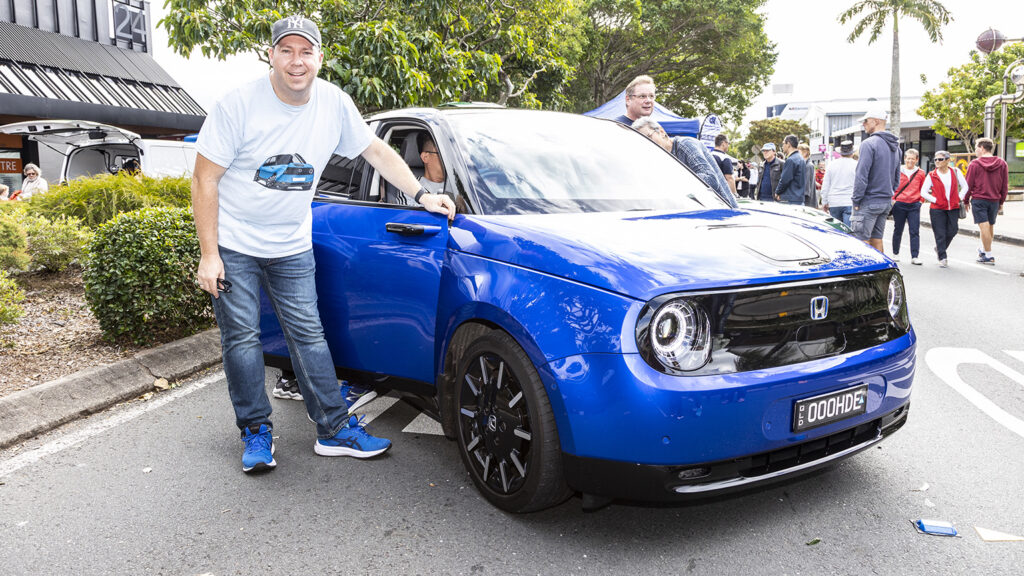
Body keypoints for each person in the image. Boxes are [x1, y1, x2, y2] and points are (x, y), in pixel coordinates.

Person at [192, 15, 455, 474]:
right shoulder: (237, 105)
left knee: (309, 335)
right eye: (287, 51)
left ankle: (333, 429)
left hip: (292, 243)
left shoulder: (334, 102)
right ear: (271, 55)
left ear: (319, 57)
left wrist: (421, 193)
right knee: (242, 340)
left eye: (306, 51)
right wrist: (210, 254)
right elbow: (204, 179)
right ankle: (255, 430)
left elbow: (376, 151)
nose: (297, 61)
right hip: (235, 242)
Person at [631, 117, 736, 206]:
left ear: (661, 132)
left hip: (723, 209)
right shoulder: (661, 158)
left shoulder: (685, 144)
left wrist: (673, 181)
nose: (646, 143)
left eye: (648, 137)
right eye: (642, 142)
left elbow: (711, 179)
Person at [851, 109, 901, 253]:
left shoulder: (868, 144)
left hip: (868, 200)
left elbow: (861, 175)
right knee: (877, 239)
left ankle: (864, 274)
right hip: (885, 201)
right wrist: (889, 194)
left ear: (876, 121)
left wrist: (856, 200)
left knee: (861, 242)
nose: (864, 125)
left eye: (866, 121)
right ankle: (882, 273)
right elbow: (897, 178)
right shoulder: (895, 147)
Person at [920, 150, 968, 268]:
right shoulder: (932, 175)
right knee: (940, 233)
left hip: (953, 207)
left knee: (953, 230)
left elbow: (965, 186)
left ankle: (939, 248)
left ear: (947, 160)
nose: (937, 161)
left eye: (940, 159)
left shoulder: (955, 172)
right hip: (937, 209)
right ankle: (942, 257)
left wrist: (959, 197)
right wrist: (935, 200)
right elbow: (923, 192)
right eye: (935, 159)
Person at [965, 137, 1008, 265]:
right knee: (989, 226)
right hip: (994, 199)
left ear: (982, 148)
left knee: (983, 226)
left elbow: (969, 184)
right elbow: (1005, 185)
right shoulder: (1002, 163)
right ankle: (984, 250)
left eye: (977, 147)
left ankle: (988, 255)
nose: (975, 150)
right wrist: (1001, 202)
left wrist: (965, 200)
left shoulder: (974, 164)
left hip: (979, 199)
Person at [891, 148, 926, 265]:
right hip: (899, 204)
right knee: (898, 229)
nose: (910, 161)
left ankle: (915, 256)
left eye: (913, 159)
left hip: (914, 205)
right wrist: (893, 200)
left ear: (917, 160)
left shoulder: (921, 173)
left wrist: (921, 201)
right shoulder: (898, 170)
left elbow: (923, 189)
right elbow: (891, 185)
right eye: (908, 158)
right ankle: (895, 253)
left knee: (914, 231)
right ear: (904, 158)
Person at [820, 140, 856, 227]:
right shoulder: (856, 165)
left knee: (836, 231)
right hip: (849, 201)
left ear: (840, 152)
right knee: (848, 231)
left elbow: (826, 185)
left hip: (834, 201)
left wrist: (824, 201)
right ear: (852, 153)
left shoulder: (831, 165)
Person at [774, 134, 805, 205]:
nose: (782, 146)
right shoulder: (800, 158)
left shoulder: (791, 160)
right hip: (799, 198)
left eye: (783, 143)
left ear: (788, 144)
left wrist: (777, 192)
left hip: (790, 199)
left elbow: (785, 180)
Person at [797, 142, 817, 208]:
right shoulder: (804, 164)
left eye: (798, 152)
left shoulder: (808, 165)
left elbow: (807, 185)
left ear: (805, 152)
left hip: (807, 200)